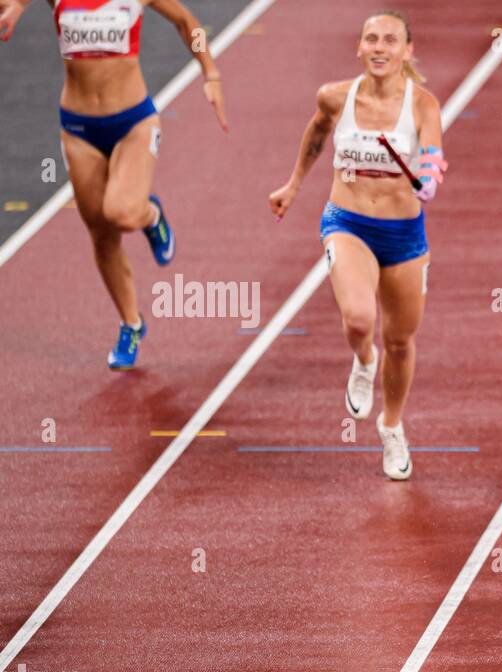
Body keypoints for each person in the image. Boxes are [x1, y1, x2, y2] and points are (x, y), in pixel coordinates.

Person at [0, 0, 229, 369]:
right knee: (101, 233)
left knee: (122, 212)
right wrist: (15, 9)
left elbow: (188, 23)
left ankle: (150, 215)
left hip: (133, 123)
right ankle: (132, 324)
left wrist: (211, 73)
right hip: (78, 128)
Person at [269, 9, 447, 480]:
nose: (380, 47)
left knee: (402, 340)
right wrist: (292, 186)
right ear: (359, 46)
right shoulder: (334, 96)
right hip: (347, 222)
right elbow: (316, 133)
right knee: (360, 319)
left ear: (407, 51)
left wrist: (428, 176)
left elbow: (432, 150)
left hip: (405, 235)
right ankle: (364, 360)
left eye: (390, 40)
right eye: (371, 39)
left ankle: (392, 427)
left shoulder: (421, 103)